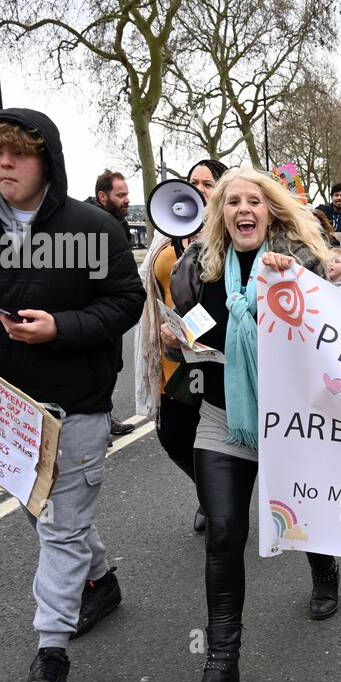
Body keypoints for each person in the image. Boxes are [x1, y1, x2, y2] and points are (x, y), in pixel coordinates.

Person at [0, 109, 144, 682]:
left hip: (75, 402)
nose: (5, 164)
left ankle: (51, 652)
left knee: (59, 523)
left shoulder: (94, 227)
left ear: (45, 158)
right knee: (45, 512)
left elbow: (126, 303)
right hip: (0, 409)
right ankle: (100, 580)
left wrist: (62, 328)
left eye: (18, 154)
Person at [162, 166, 341, 682]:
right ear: (221, 212)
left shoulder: (299, 262)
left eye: (254, 201)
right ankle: (222, 666)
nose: (244, 209)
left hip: (292, 416)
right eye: (232, 200)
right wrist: (175, 339)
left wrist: (302, 286)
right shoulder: (197, 268)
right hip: (225, 415)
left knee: (302, 512)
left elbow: (334, 329)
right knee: (223, 533)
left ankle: (323, 567)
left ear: (270, 212)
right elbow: (189, 336)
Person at [136, 158, 227, 536]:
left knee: (216, 436)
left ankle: (222, 499)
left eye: (208, 183)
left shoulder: (228, 235)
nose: (199, 189)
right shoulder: (167, 236)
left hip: (215, 352)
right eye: (193, 182)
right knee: (173, 436)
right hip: (173, 351)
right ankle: (210, 494)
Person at [85, 168, 138, 437]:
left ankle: (103, 418)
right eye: (121, 195)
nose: (127, 199)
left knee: (111, 366)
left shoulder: (117, 220)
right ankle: (96, 425)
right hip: (94, 308)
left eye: (127, 194)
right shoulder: (88, 223)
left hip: (111, 306)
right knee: (96, 368)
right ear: (103, 196)